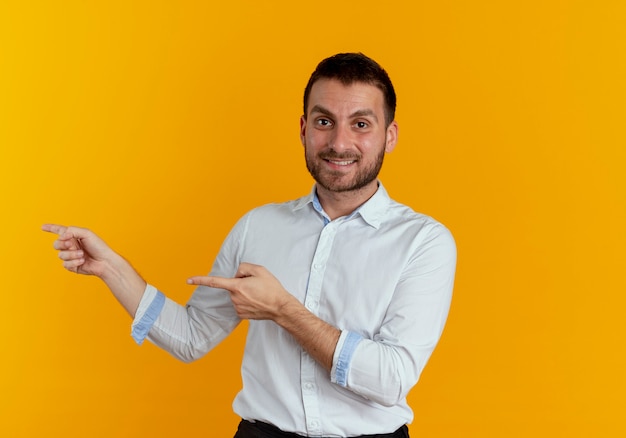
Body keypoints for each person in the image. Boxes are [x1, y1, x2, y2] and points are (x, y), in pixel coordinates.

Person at [43, 53, 456, 438]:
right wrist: (110, 267)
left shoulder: (424, 242)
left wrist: (281, 309)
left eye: (361, 124)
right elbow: (191, 337)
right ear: (303, 129)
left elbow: (390, 379)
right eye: (324, 121)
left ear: (390, 135)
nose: (340, 142)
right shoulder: (257, 227)